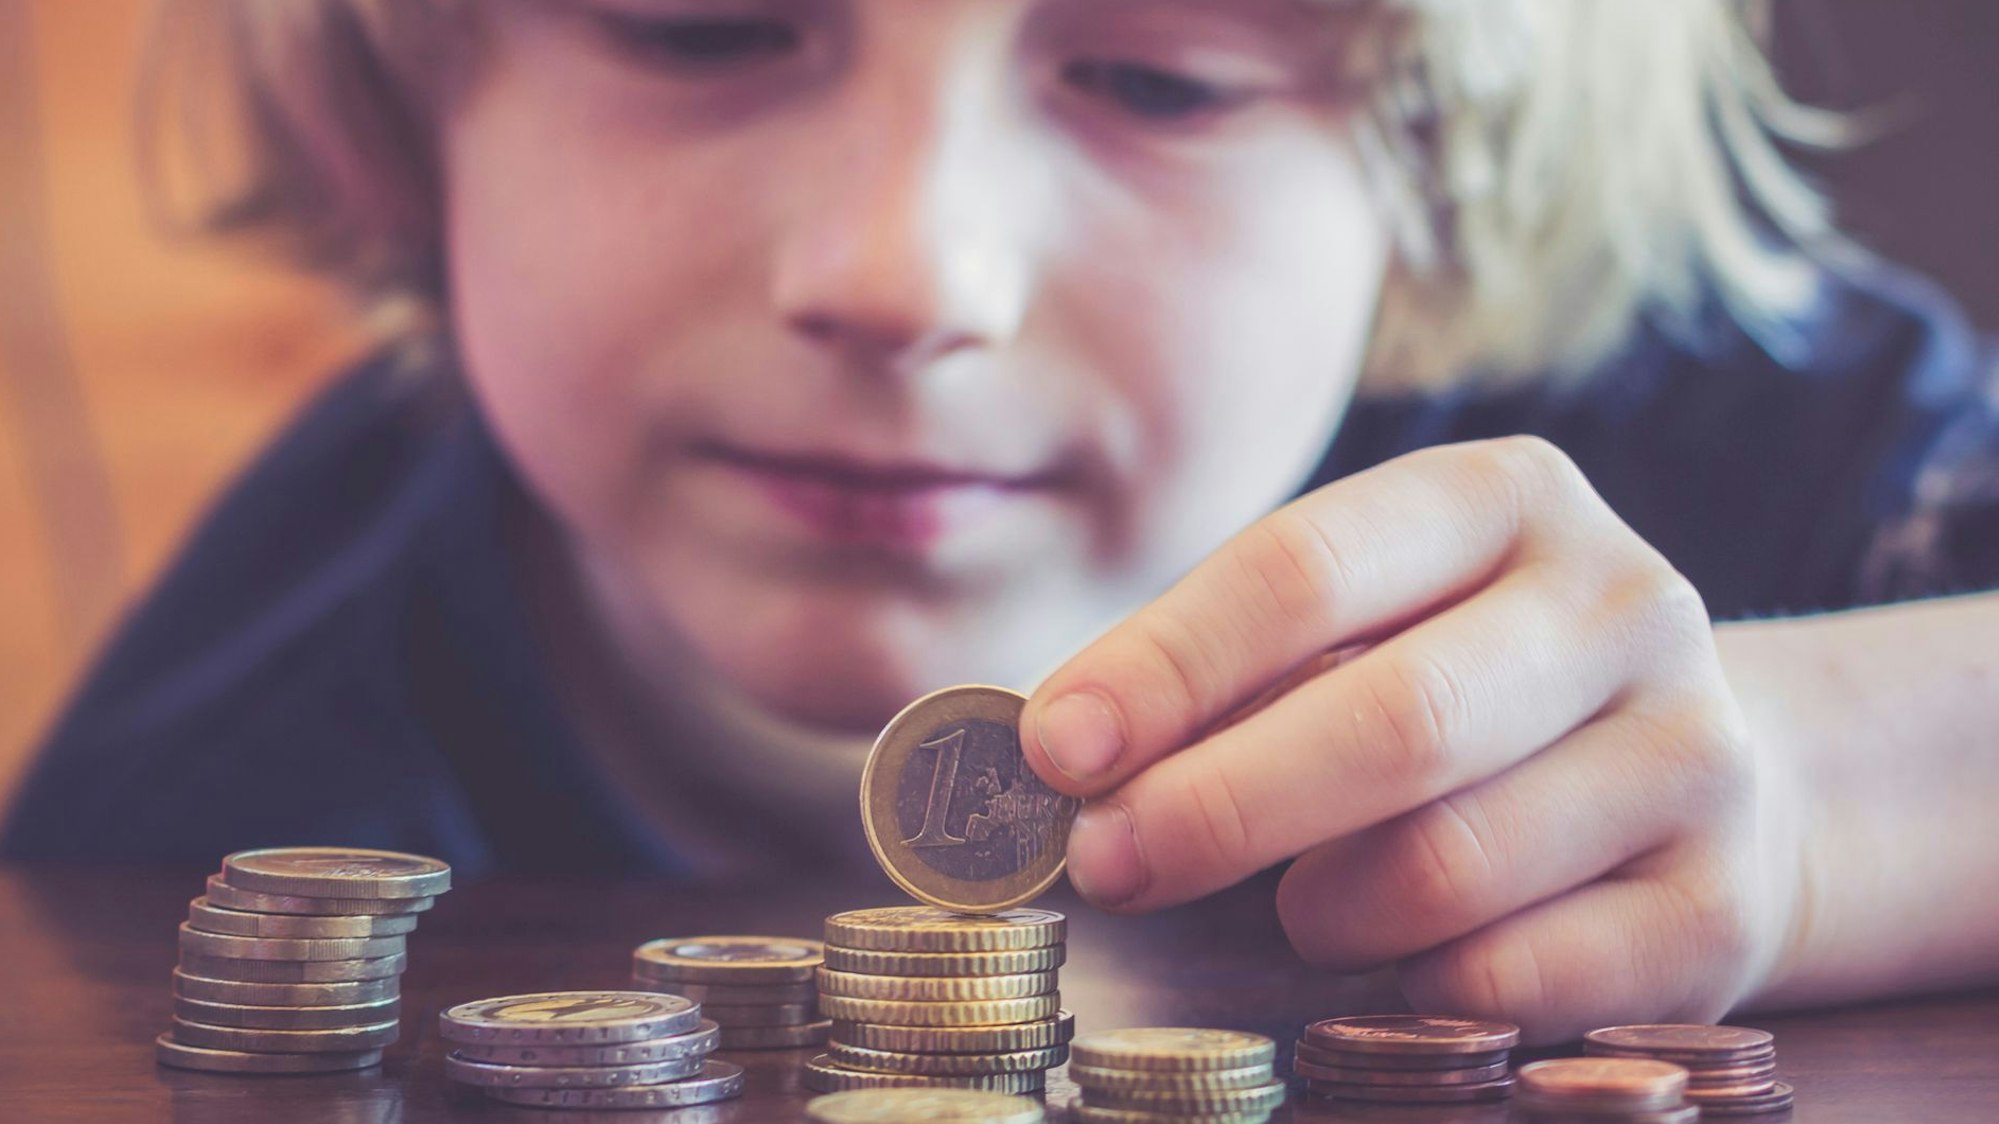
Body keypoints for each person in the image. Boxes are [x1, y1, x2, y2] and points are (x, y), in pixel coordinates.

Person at [4, 0, 1997, 1044]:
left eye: (1158, 74)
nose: (909, 271)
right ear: (396, 103)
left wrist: (1827, 789)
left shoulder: (1750, 437)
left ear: (1437, 196)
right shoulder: (179, 832)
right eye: (698, 24)